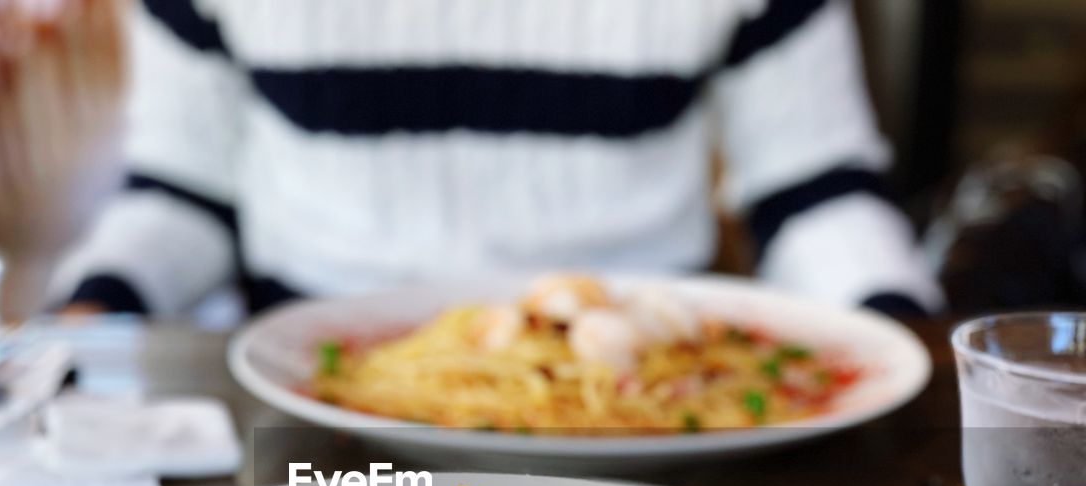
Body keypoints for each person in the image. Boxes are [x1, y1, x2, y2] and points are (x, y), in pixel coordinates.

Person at [52, 0, 943, 320]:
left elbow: (817, 190)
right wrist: (98, 303)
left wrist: (898, 323)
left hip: (635, 395)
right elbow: (181, 189)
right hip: (319, 419)